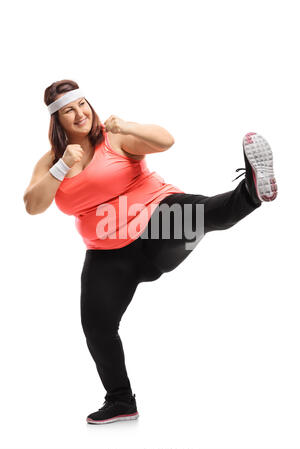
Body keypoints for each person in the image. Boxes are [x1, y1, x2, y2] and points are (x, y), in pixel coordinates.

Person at [23, 79, 278, 426]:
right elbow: (33, 205)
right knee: (97, 326)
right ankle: (121, 402)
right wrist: (61, 166)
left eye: (82, 104)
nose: (79, 113)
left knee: (200, 214)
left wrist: (125, 125)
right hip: (108, 253)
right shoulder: (53, 161)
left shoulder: (113, 137)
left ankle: (251, 189)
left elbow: (165, 141)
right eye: (69, 110)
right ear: (57, 120)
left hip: (155, 222)